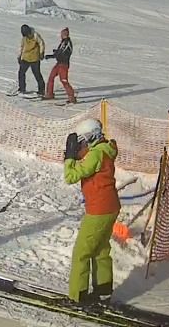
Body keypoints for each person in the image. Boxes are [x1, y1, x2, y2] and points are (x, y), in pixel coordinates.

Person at [63, 118, 120, 304]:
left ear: (91, 138)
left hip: (99, 210)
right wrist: (76, 157)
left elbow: (71, 177)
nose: (81, 146)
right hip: (110, 207)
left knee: (82, 252)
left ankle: (77, 297)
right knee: (101, 249)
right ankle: (103, 291)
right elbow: (88, 166)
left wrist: (69, 158)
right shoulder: (105, 150)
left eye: (82, 142)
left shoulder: (96, 155)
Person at [45, 27, 76, 103]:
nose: (61, 35)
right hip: (59, 63)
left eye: (62, 34)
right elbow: (60, 52)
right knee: (51, 77)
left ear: (65, 34)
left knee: (64, 80)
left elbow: (63, 53)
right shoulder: (63, 42)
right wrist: (53, 54)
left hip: (63, 64)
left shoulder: (67, 42)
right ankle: (49, 94)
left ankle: (71, 97)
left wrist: (53, 55)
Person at [17, 24, 46, 96]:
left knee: (37, 74)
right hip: (26, 58)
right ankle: (22, 88)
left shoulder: (35, 35)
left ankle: (41, 90)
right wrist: (19, 56)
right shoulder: (24, 38)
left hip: (35, 59)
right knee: (21, 73)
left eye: (27, 34)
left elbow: (41, 44)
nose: (27, 36)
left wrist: (41, 53)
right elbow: (21, 46)